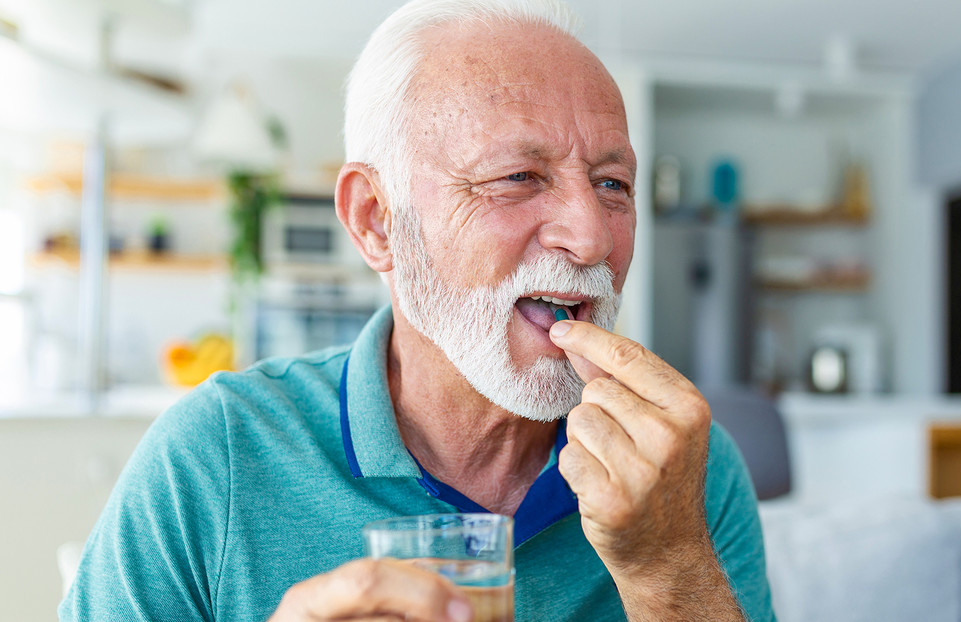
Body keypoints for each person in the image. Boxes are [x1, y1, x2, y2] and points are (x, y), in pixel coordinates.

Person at [60, 1, 776, 620]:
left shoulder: (692, 470)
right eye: (517, 177)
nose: (591, 237)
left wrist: (669, 569)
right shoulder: (216, 454)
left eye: (613, 183)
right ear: (375, 220)